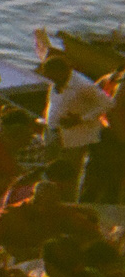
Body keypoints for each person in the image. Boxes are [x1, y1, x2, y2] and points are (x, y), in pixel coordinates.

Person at [40, 55, 112, 193]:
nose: (49, 78)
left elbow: (107, 103)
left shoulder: (83, 85)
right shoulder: (57, 82)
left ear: (61, 71)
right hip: (53, 134)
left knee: (69, 174)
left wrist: (82, 118)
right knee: (49, 171)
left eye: (50, 74)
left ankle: (67, 200)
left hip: (73, 138)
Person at [0, 179, 100, 262]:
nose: (45, 209)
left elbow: (92, 232)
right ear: (33, 199)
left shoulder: (58, 211)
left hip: (48, 261)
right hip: (16, 261)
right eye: (42, 203)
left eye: (51, 203)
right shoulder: (11, 215)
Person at [81, 68, 124, 204]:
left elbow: (87, 98)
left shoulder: (112, 77)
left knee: (95, 183)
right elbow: (113, 111)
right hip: (113, 139)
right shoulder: (120, 81)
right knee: (110, 186)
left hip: (101, 134)